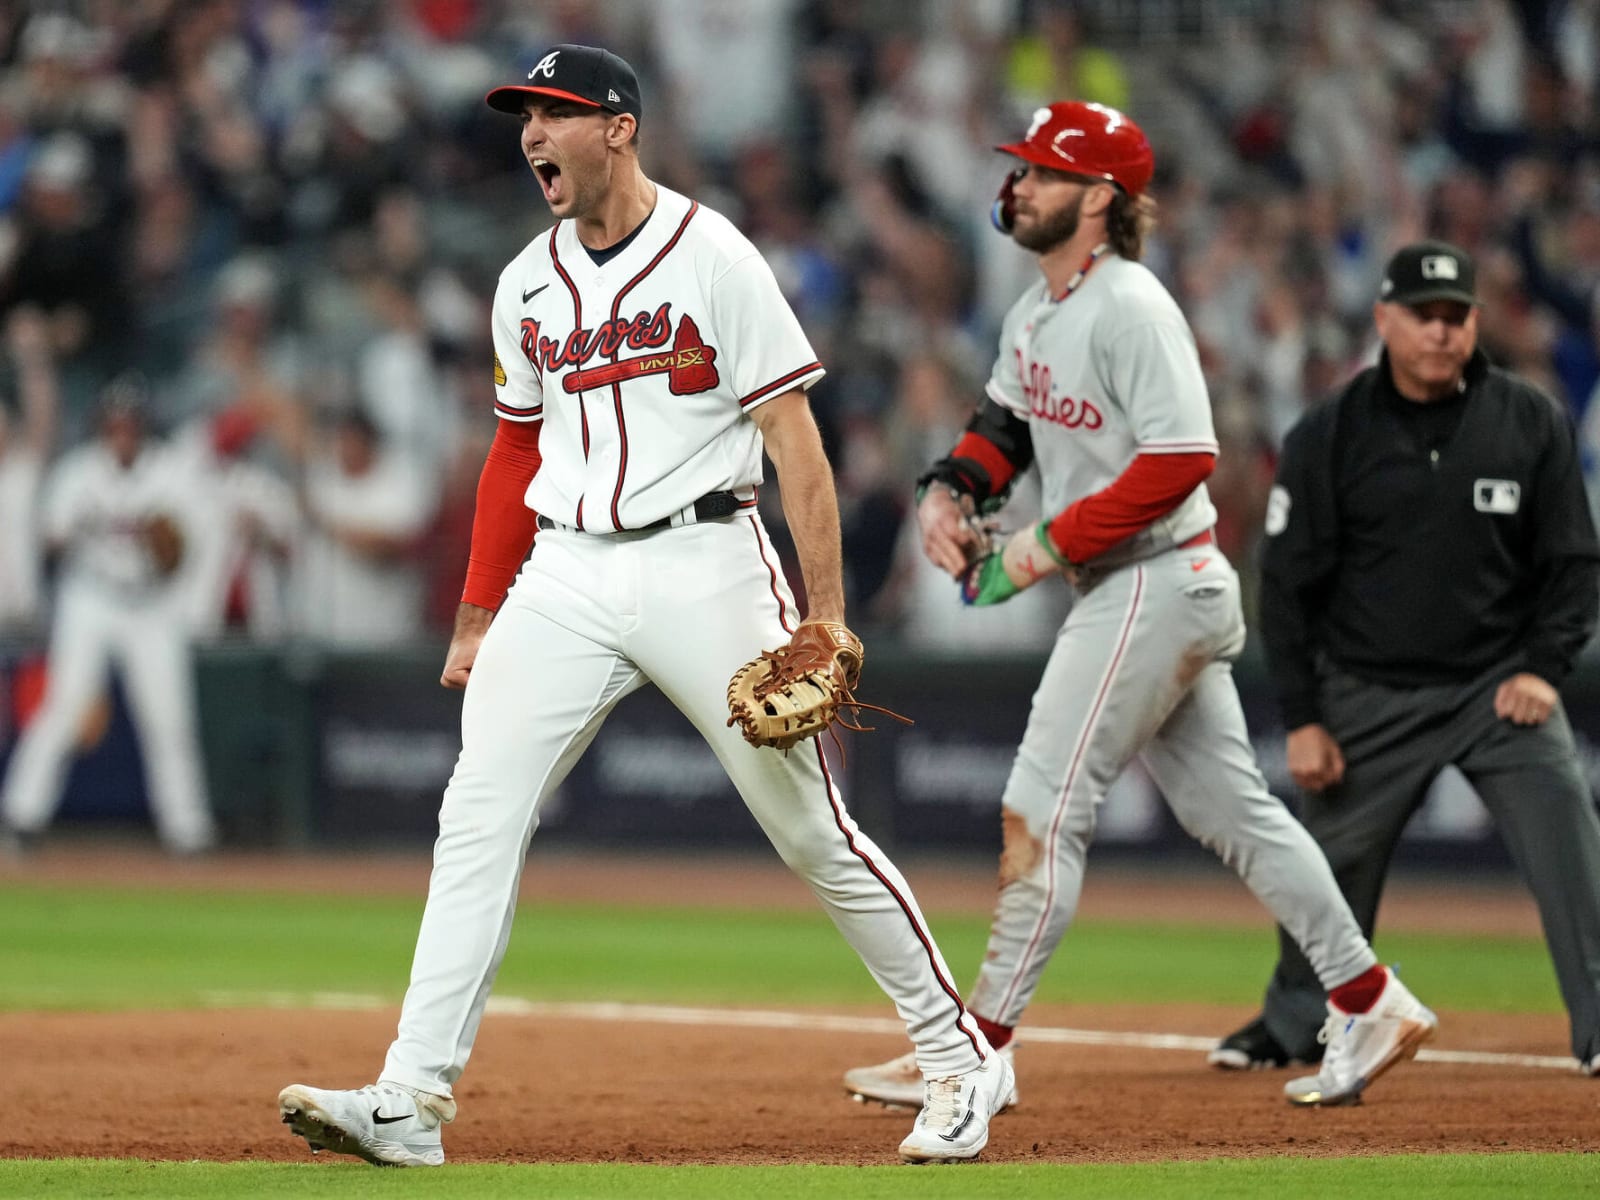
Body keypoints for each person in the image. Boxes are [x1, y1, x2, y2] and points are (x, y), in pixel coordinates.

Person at [276, 44, 1010, 1168]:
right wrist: (478, 611)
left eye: (554, 115)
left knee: (811, 830)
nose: (530, 136)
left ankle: (960, 1062)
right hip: (565, 572)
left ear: (617, 127)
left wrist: (824, 616)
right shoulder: (525, 281)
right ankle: (410, 1100)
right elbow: (511, 451)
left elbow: (795, 446)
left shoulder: (712, 255)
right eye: (523, 117)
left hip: (704, 558)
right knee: (475, 814)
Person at [842, 101, 1436, 1112]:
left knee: (1041, 809)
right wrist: (952, 492)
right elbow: (1003, 430)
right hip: (1142, 584)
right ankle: (1369, 994)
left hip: (1155, 576)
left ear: (1100, 197)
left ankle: (974, 1048)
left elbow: (1182, 457)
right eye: (1020, 167)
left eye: (1042, 170)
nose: (1018, 183)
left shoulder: (1131, 303)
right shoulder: (1037, 311)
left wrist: (1037, 545)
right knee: (1234, 813)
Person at [1209, 240, 1600, 1078]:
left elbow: (1572, 565)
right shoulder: (1330, 430)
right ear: (1383, 318)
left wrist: (1542, 668)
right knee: (1322, 877)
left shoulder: (1529, 420)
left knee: (1572, 844)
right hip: (1367, 694)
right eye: (1423, 316)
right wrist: (1307, 718)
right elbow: (1287, 588)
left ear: (1476, 324)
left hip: (1499, 689)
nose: (1440, 332)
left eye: (1456, 316)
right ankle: (1294, 1025)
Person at [0, 374, 214, 854]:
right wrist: (69, 532)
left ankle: (188, 830)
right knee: (65, 705)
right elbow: (50, 540)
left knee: (169, 717)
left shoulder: (171, 472)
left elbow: (183, 554)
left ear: (143, 425)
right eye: (113, 422)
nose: (121, 431)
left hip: (153, 604)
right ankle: (21, 815)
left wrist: (162, 544)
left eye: (129, 422)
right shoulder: (78, 472)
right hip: (91, 598)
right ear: (101, 425)